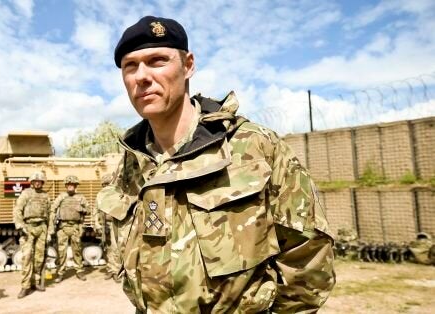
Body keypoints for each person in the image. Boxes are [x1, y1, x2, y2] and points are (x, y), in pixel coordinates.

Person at [97, 16, 336, 313]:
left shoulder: (253, 147)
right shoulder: (128, 167)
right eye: (130, 66)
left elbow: (308, 257)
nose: (141, 76)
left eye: (157, 61)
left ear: (188, 66)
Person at [13, 171, 51, 298]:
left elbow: (50, 214)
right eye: (35, 181)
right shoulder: (26, 194)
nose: (37, 183)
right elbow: (18, 210)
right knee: (27, 256)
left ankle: (36, 281)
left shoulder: (46, 195)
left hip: (42, 227)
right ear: (32, 182)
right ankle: (25, 286)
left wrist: (50, 231)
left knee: (39, 257)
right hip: (28, 227)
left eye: (40, 181)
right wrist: (20, 225)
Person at [49, 175, 89, 282]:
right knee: (61, 251)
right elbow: (53, 209)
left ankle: (79, 271)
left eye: (73, 184)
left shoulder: (80, 197)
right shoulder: (61, 197)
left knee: (77, 250)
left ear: (75, 186)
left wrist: (81, 208)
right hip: (63, 227)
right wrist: (51, 226)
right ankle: (61, 272)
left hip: (76, 227)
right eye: (69, 184)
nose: (71, 186)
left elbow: (88, 210)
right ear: (66, 186)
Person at [94, 174, 121, 283]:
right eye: (104, 184)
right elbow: (95, 210)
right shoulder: (100, 196)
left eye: (108, 184)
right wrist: (96, 223)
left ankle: (116, 271)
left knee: (115, 248)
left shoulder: (118, 194)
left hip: (115, 224)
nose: (106, 186)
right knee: (107, 248)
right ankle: (110, 269)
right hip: (104, 225)